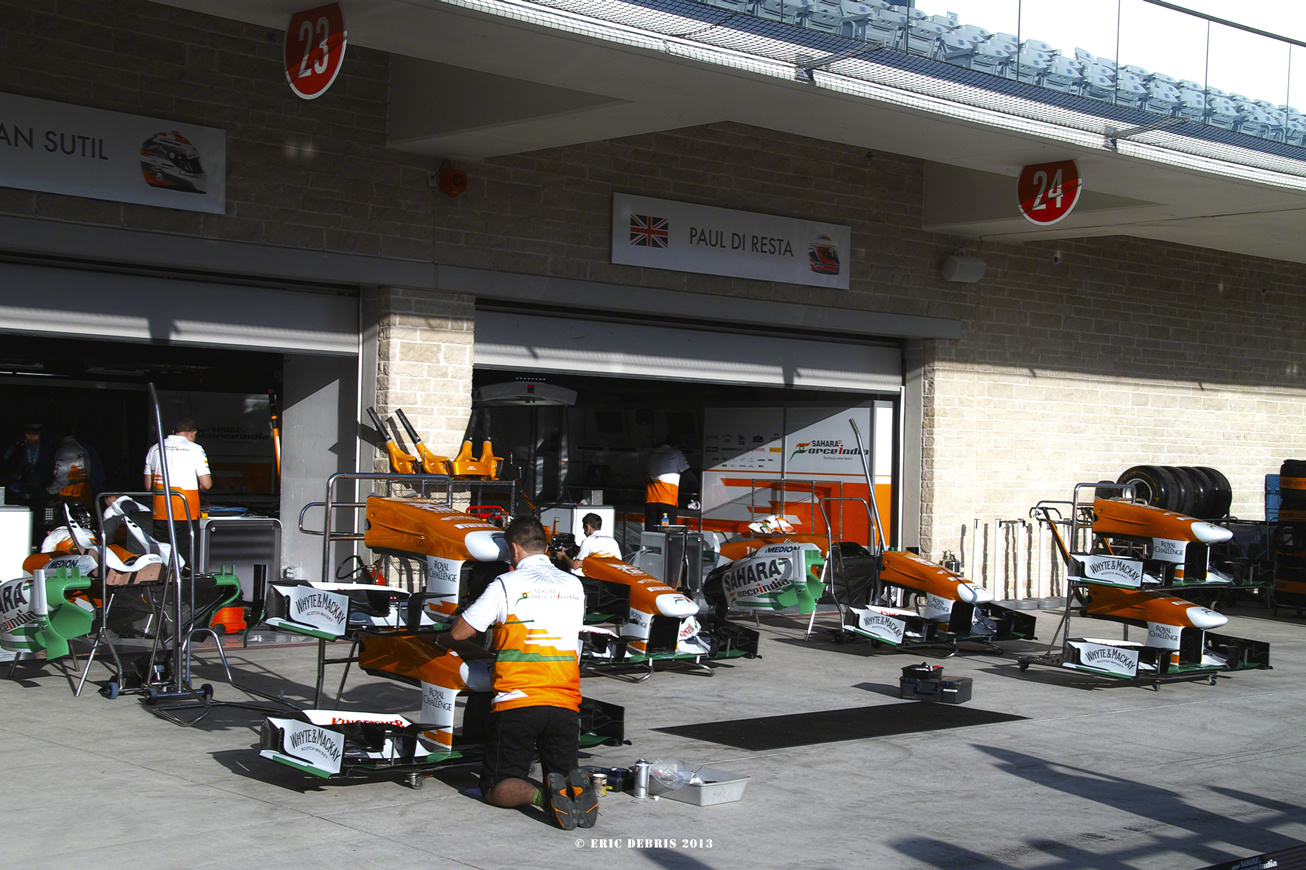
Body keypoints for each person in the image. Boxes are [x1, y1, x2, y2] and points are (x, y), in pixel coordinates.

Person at [445, 515, 598, 830]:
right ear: (545, 546)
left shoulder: (506, 584)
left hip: (518, 702)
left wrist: (461, 612)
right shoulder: (574, 584)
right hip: (565, 702)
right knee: (562, 772)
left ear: (513, 549)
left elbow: (461, 632)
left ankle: (544, 796)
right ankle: (571, 791)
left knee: (496, 785)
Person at [143, 418, 212, 563]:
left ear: (174, 432)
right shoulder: (195, 449)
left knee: (163, 559)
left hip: (160, 513)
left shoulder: (154, 448)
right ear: (193, 433)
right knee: (185, 561)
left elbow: (148, 486)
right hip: (185, 512)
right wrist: (198, 489)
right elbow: (206, 484)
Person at [643, 441, 691, 530]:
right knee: (666, 533)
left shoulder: (650, 454)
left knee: (650, 533)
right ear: (676, 445)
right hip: (667, 502)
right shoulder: (676, 454)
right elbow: (689, 475)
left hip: (650, 501)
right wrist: (699, 488)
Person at [556, 512, 621, 575]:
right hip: (615, 577)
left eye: (584, 529)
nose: (584, 532)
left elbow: (575, 566)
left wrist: (563, 556)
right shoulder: (612, 541)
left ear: (588, 527)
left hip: (599, 579)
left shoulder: (589, 540)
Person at [47, 428, 93, 510]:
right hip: (83, 498)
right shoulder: (82, 449)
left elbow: (61, 478)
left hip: (68, 500)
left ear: (57, 434)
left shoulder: (65, 450)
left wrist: (48, 492)